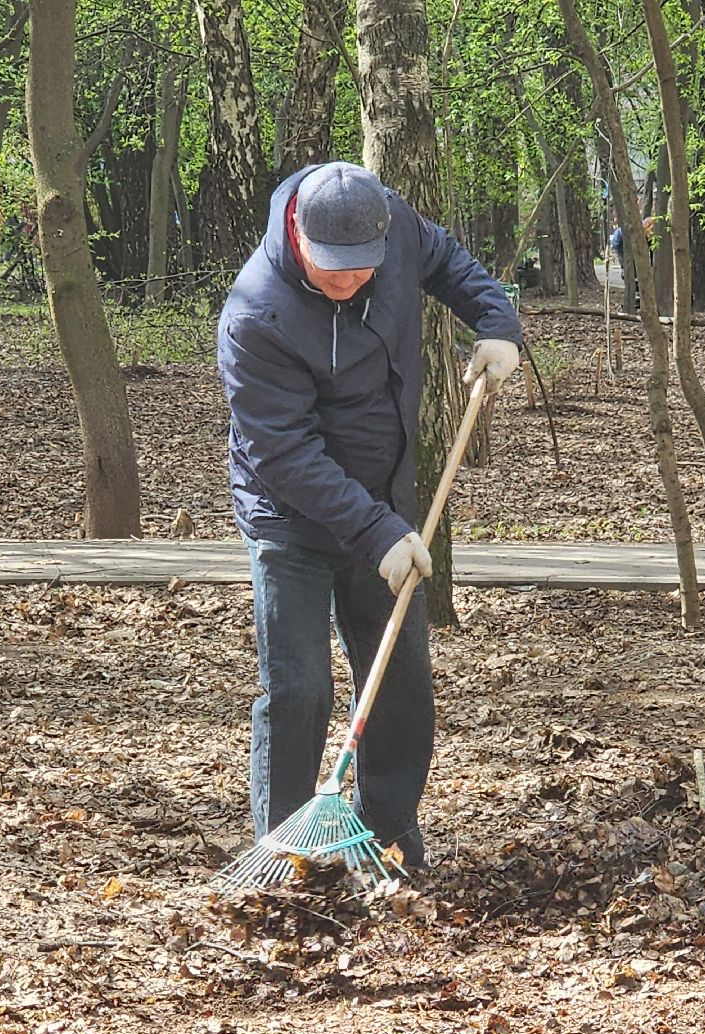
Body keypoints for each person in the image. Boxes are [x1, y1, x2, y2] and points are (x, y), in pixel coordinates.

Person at [216, 161, 523, 869]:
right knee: (299, 689)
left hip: (385, 498)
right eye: (334, 271)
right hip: (290, 515)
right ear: (298, 237)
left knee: (398, 682)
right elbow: (284, 452)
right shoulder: (255, 314)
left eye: (363, 269)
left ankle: (384, 835)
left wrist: (497, 323)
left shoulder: (390, 220)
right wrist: (380, 530)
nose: (350, 281)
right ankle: (287, 849)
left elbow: (447, 261)